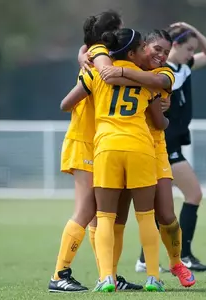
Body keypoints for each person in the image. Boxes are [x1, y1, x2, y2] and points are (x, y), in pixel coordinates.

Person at [61, 28, 169, 292]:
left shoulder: (97, 72)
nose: (147, 50)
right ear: (132, 53)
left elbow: (65, 104)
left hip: (106, 148)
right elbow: (159, 122)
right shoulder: (148, 79)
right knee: (146, 216)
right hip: (140, 148)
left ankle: (107, 277)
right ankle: (153, 278)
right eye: (143, 46)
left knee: (105, 217)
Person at [48, 11, 141, 292]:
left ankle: (108, 275)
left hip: (98, 143)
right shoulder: (99, 58)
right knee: (87, 208)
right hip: (83, 141)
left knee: (98, 214)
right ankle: (59, 274)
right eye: (119, 29)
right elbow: (68, 102)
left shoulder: (99, 55)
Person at [99, 29, 196, 287]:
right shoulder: (123, 68)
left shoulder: (163, 73)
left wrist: (119, 73)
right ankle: (113, 274)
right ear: (142, 49)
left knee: (165, 214)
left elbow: (162, 84)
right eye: (155, 49)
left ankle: (176, 262)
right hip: (129, 147)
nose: (161, 56)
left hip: (154, 149)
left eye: (166, 52)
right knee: (118, 217)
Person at [161, 22, 206, 272]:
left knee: (161, 204)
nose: (191, 54)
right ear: (174, 45)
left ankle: (146, 258)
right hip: (165, 145)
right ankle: (183, 254)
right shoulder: (162, 72)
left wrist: (191, 28)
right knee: (193, 194)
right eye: (188, 48)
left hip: (173, 144)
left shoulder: (182, 68)